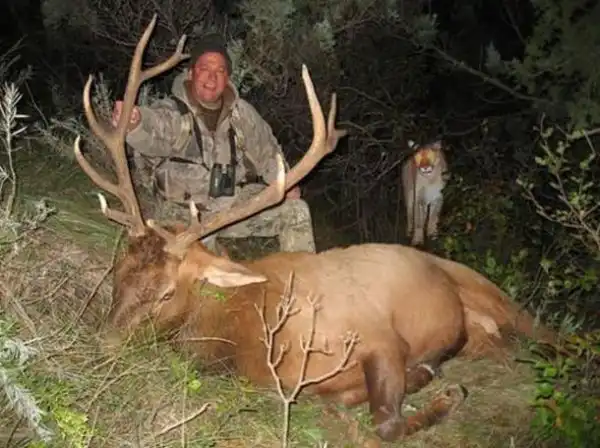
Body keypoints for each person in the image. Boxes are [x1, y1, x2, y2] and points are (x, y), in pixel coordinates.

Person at [111, 33, 316, 253]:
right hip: (183, 214)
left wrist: (286, 183)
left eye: (220, 71)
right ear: (191, 73)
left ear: (227, 78)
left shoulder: (243, 115)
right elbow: (155, 126)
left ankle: (300, 274)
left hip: (231, 208)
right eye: (204, 68)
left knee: (296, 211)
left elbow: (267, 152)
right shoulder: (173, 112)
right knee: (197, 262)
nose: (212, 77)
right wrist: (136, 121)